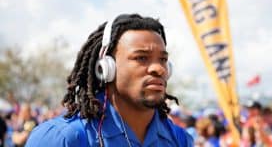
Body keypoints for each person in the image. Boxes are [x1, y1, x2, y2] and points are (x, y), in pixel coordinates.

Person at [25, 13, 193, 147]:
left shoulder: (179, 139)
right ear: (106, 68)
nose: (159, 69)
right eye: (141, 58)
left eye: (163, 60)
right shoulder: (63, 139)